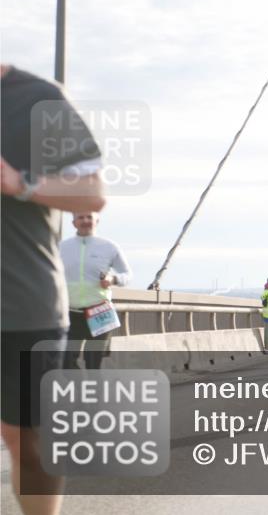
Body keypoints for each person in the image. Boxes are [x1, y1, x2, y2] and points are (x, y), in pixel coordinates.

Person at [2, 64, 106, 515]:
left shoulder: (38, 98)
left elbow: (92, 191)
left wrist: (19, 184)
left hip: (21, 305)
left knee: (27, 443)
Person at [59, 211, 131, 369]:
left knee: (93, 363)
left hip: (100, 312)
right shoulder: (62, 247)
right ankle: (79, 387)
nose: (85, 220)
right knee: (65, 361)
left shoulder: (109, 247)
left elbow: (127, 274)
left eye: (89, 217)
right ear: (73, 223)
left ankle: (90, 391)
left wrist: (113, 279)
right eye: (80, 217)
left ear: (97, 221)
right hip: (71, 313)